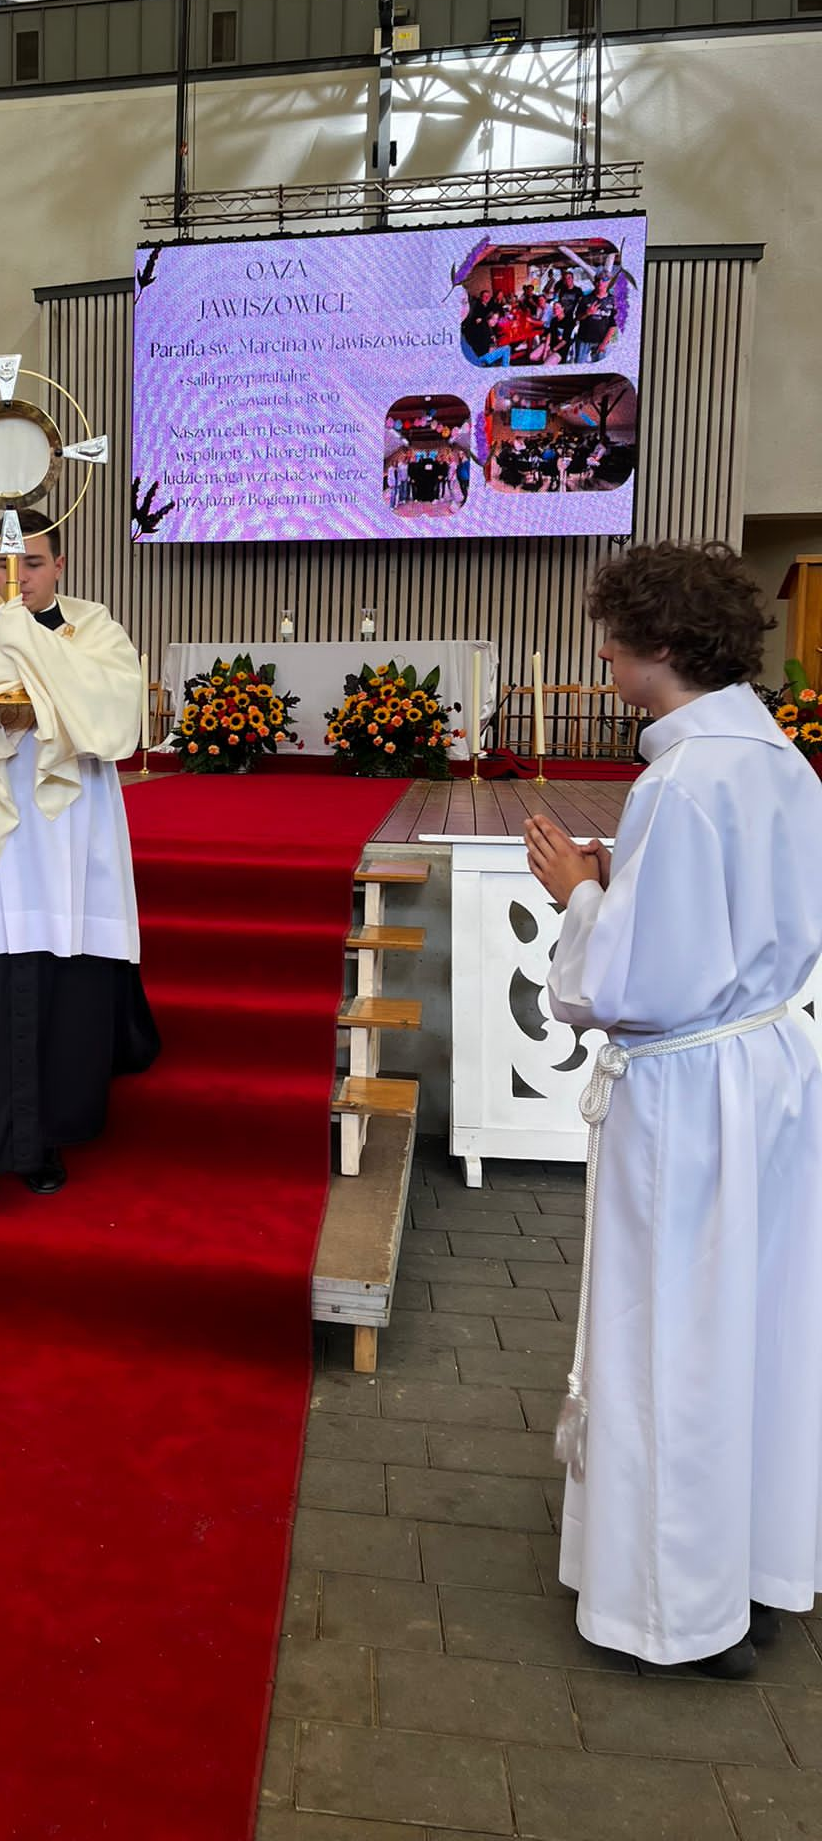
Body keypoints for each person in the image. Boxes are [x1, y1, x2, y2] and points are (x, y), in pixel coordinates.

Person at [524, 540, 822, 1679]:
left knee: (674, 1340)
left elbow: (626, 987)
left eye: (613, 639)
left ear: (657, 645)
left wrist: (585, 894)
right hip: (769, 1071)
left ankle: (678, 1607)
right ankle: (756, 1562)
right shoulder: (778, 760)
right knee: (759, 1324)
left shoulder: (682, 780)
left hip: (692, 1091)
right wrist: (627, 884)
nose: (602, 657)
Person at [0, 508, 160, 1232]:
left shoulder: (96, 628)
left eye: (33, 563)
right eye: (1, 565)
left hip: (72, 833)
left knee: (66, 991)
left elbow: (115, 717)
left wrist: (29, 650)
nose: (15, 578)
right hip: (0, 834)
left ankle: (44, 1143)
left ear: (60, 565)